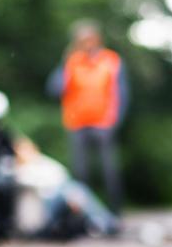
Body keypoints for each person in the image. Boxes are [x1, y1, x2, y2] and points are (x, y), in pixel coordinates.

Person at [46, 20, 129, 215]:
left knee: (110, 171)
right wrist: (65, 63)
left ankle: (115, 214)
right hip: (77, 123)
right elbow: (54, 89)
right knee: (80, 173)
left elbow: (122, 92)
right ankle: (85, 216)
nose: (87, 43)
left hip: (104, 123)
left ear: (97, 39)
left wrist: (115, 120)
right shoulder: (72, 61)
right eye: (82, 40)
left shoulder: (111, 60)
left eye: (89, 39)